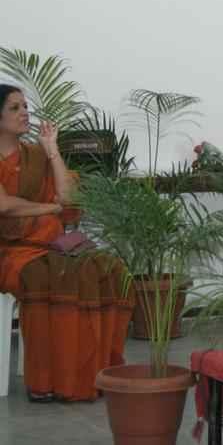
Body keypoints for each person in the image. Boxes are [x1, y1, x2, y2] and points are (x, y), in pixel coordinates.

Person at [0, 84, 133, 402]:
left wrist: (52, 150)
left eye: (25, 107)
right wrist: (51, 208)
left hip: (53, 244)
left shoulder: (36, 156)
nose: (25, 113)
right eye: (15, 108)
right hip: (10, 250)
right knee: (43, 276)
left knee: (108, 269)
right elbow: (4, 206)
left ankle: (96, 373)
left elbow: (69, 198)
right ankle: (46, 380)